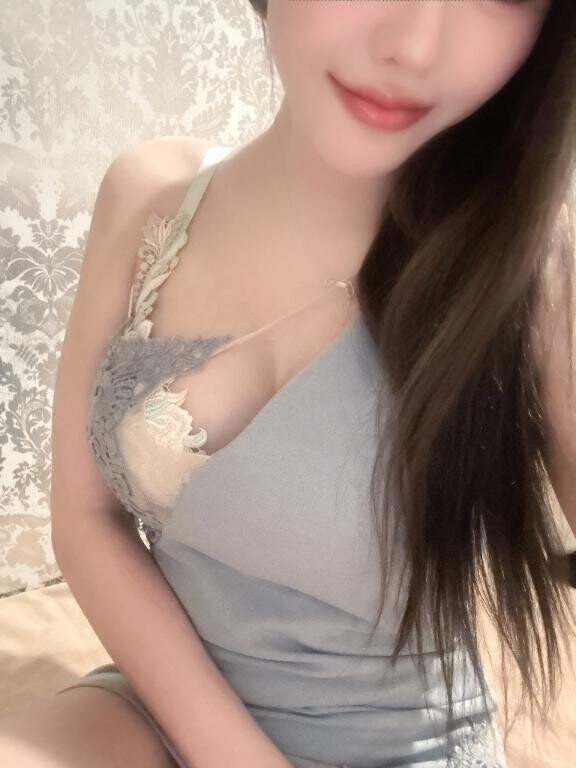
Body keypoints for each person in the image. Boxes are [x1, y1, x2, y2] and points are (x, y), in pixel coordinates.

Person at [2, 1, 575, 767]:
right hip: (161, 703)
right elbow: (87, 520)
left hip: (400, 745)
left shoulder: (531, 272)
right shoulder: (151, 193)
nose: (413, 46)